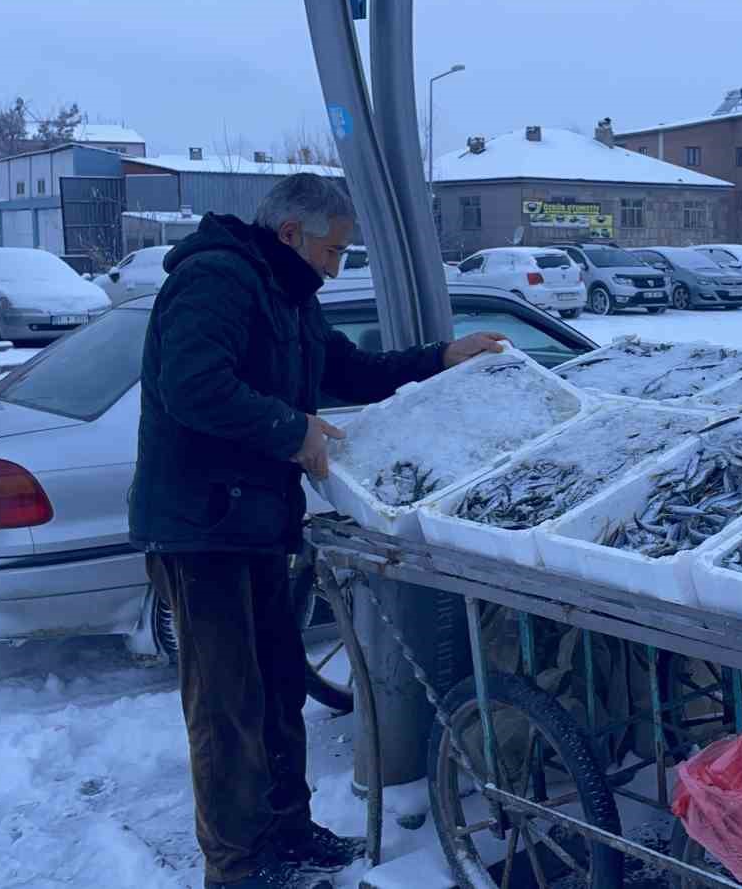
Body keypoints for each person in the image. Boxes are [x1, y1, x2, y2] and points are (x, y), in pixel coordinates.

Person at [128, 173, 505, 889]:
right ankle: (237, 867)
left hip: (258, 522)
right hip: (198, 526)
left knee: (277, 690)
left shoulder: (290, 297)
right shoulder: (217, 280)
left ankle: (287, 831)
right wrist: (289, 427)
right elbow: (193, 386)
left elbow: (348, 369)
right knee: (226, 707)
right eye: (332, 252)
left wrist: (438, 357)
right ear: (290, 235)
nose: (337, 268)